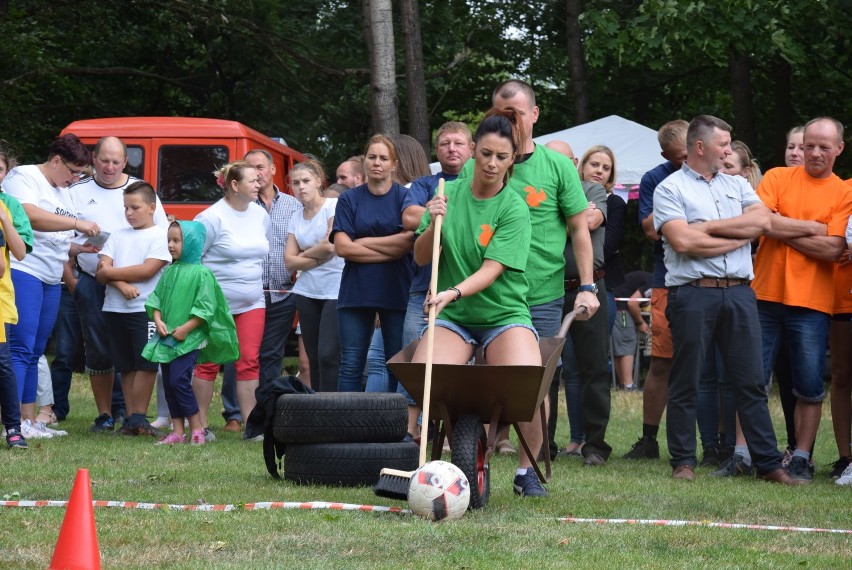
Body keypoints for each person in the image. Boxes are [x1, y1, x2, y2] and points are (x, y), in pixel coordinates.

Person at [653, 114, 799, 485]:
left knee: (750, 382)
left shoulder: (736, 185)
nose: (729, 150)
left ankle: (768, 464)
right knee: (687, 378)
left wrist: (711, 230)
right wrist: (739, 236)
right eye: (724, 143)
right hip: (693, 293)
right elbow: (683, 242)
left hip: (739, 292)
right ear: (700, 147)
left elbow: (762, 222)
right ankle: (683, 461)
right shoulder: (670, 189)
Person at [463, 80, 600, 468]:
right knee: (480, 383)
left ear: (534, 115)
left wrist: (587, 286)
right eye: (499, 115)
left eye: (516, 114)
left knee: (534, 386)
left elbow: (579, 230)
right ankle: (477, 462)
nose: (508, 121)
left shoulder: (556, 166)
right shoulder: (478, 166)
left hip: (540, 293)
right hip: (485, 293)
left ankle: (528, 469)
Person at [413, 109, 543, 496]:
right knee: (426, 374)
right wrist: (432, 221)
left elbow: (492, 269)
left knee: (527, 381)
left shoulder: (514, 207)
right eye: (485, 153)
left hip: (502, 312)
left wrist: (450, 292)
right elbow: (422, 256)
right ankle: (444, 459)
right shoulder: (445, 194)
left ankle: (526, 473)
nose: (492, 163)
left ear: (512, 159)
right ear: (473, 152)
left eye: (501, 157)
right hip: (455, 315)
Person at [752, 117, 852, 482]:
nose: (814, 152)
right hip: (764, 294)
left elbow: (833, 249)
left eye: (825, 147)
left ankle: (802, 457)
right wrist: (811, 227)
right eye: (809, 144)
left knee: (809, 383)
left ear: (839, 149)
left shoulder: (844, 191)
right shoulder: (777, 177)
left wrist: (781, 226)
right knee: (752, 380)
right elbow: (759, 221)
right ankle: (748, 454)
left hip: (813, 301)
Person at [3, 134, 100, 440]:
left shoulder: (64, 190)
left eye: (81, 174)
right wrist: (76, 225)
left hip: (50, 275)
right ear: (56, 160)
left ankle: (29, 421)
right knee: (20, 347)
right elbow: (28, 216)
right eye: (73, 171)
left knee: (35, 351)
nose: (75, 179)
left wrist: (76, 249)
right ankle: (13, 422)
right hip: (24, 270)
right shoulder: (24, 177)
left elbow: (58, 237)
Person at [69, 136, 168, 432]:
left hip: (138, 296)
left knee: (142, 358)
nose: (110, 167)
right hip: (90, 282)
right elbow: (68, 243)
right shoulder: (76, 191)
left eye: (116, 161)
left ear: (125, 162)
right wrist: (75, 276)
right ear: (93, 159)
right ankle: (105, 415)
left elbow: (156, 256)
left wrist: (119, 279)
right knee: (100, 350)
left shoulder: (139, 189)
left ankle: (133, 414)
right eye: (104, 160)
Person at [399, 122, 474, 437]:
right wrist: (434, 210)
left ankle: (459, 435)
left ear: (471, 148)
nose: (452, 149)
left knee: (464, 371)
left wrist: (450, 211)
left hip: (468, 292)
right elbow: (409, 217)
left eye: (458, 143)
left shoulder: (481, 183)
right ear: (436, 150)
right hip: (424, 289)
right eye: (445, 143)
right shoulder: (425, 183)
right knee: (417, 363)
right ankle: (412, 435)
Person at [624, 119, 688, 460]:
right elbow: (650, 229)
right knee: (661, 362)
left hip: (708, 280)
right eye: (679, 157)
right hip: (665, 278)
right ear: (666, 155)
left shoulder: (718, 173)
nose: (687, 161)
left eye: (692, 152)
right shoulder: (654, 178)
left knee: (707, 366)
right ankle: (649, 439)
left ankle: (717, 445)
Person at [143, 221, 238, 445]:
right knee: (168, 384)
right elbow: (155, 299)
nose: (171, 245)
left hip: (189, 338)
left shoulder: (202, 274)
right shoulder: (169, 271)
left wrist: (185, 329)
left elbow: (205, 308)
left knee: (179, 381)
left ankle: (197, 428)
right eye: (169, 240)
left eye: (176, 240)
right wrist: (158, 320)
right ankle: (177, 431)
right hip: (167, 337)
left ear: (192, 243)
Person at [193, 161, 269, 442]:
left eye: (259, 179)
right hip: (215, 303)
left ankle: (252, 425)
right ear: (234, 185)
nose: (258, 184)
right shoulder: (210, 218)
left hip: (252, 301)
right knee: (209, 361)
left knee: (249, 361)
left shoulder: (261, 215)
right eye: (252, 180)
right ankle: (199, 424)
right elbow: (195, 260)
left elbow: (262, 250)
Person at [331, 135, 413, 394]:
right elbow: (343, 248)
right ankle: (347, 428)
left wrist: (362, 242)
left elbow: (406, 244)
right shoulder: (349, 199)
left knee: (395, 364)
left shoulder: (405, 198)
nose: (377, 163)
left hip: (396, 291)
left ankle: (391, 427)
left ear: (394, 164)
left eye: (383, 158)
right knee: (351, 364)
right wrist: (390, 249)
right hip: (356, 292)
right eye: (371, 157)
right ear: (364, 161)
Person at [542, 141, 608, 461]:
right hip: (547, 289)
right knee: (546, 369)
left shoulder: (592, 189)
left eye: (563, 161)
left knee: (595, 367)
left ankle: (595, 445)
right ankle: (543, 443)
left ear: (575, 161)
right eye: (549, 160)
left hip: (590, 285)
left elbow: (590, 222)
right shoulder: (536, 190)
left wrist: (552, 217)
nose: (556, 166)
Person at [95, 181, 170, 436]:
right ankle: (131, 419)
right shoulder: (117, 235)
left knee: (146, 364)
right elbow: (100, 271)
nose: (128, 213)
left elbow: (148, 269)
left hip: (144, 310)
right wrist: (121, 284)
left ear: (151, 207)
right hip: (115, 309)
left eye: (134, 207)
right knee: (125, 365)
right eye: (125, 208)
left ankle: (139, 416)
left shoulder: (161, 235)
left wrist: (111, 275)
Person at [284, 159, 344, 392]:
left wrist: (304, 256)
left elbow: (331, 246)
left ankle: (332, 407)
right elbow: (289, 261)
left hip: (335, 288)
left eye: (306, 181)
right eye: (296, 183)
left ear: (319, 181)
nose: (301, 187)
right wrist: (316, 257)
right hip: (306, 290)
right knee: (313, 357)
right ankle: (319, 406)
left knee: (328, 354)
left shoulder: (333, 206)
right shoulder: (296, 216)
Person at [0, 144, 31, 447]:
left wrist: (4, 220)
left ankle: (13, 427)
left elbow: (19, 252)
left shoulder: (9, 205)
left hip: (1, 298)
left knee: (3, 362)